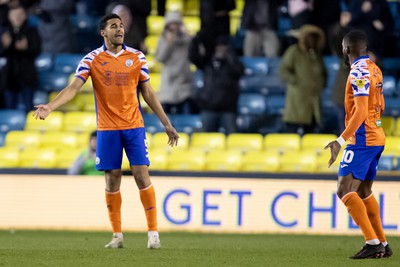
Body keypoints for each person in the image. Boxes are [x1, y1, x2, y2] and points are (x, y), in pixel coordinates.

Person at [33, 13, 179, 249]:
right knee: (112, 179)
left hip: (134, 126)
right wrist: (50, 106)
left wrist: (166, 124)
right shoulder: (92, 59)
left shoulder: (137, 57)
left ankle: (153, 234)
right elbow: (73, 88)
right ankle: (117, 235)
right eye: (114, 26)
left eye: (121, 26)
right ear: (103, 32)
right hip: (107, 129)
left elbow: (148, 93)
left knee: (142, 174)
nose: (120, 29)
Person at [325, 30, 392, 259]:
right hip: (376, 136)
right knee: (363, 191)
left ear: (346, 49)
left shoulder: (358, 72)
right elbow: (380, 105)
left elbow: (361, 110)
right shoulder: (374, 68)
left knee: (344, 190)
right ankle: (382, 242)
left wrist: (340, 140)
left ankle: (372, 242)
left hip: (362, 140)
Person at [189, 34, 243, 134]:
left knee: (233, 137)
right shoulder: (207, 62)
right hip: (209, 106)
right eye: (218, 46)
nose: (221, 49)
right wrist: (196, 41)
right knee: (206, 138)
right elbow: (193, 57)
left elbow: (239, 71)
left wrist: (230, 55)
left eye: (224, 46)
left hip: (228, 108)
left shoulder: (231, 63)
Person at [279, 24, 327, 135]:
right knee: (292, 132)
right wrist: (296, 81)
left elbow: (324, 73)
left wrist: (320, 84)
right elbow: (283, 70)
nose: (312, 40)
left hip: (313, 102)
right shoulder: (294, 51)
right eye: (310, 37)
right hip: (297, 99)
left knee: (310, 133)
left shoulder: (317, 55)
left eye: (315, 38)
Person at [0, 4, 41, 113]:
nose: (17, 17)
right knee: (9, 108)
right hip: (9, 76)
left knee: (29, 107)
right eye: (14, 15)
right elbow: (2, 53)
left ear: (25, 16)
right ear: (9, 16)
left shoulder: (31, 31)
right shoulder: (5, 32)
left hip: (27, 75)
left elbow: (37, 51)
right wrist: (6, 46)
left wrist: (27, 48)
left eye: (20, 14)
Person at [155, 11, 194, 114]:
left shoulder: (186, 40)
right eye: (171, 24)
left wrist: (187, 34)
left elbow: (194, 52)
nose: (174, 27)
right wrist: (168, 43)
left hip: (184, 84)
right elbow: (159, 58)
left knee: (186, 117)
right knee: (164, 119)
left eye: (176, 24)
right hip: (168, 84)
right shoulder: (163, 40)